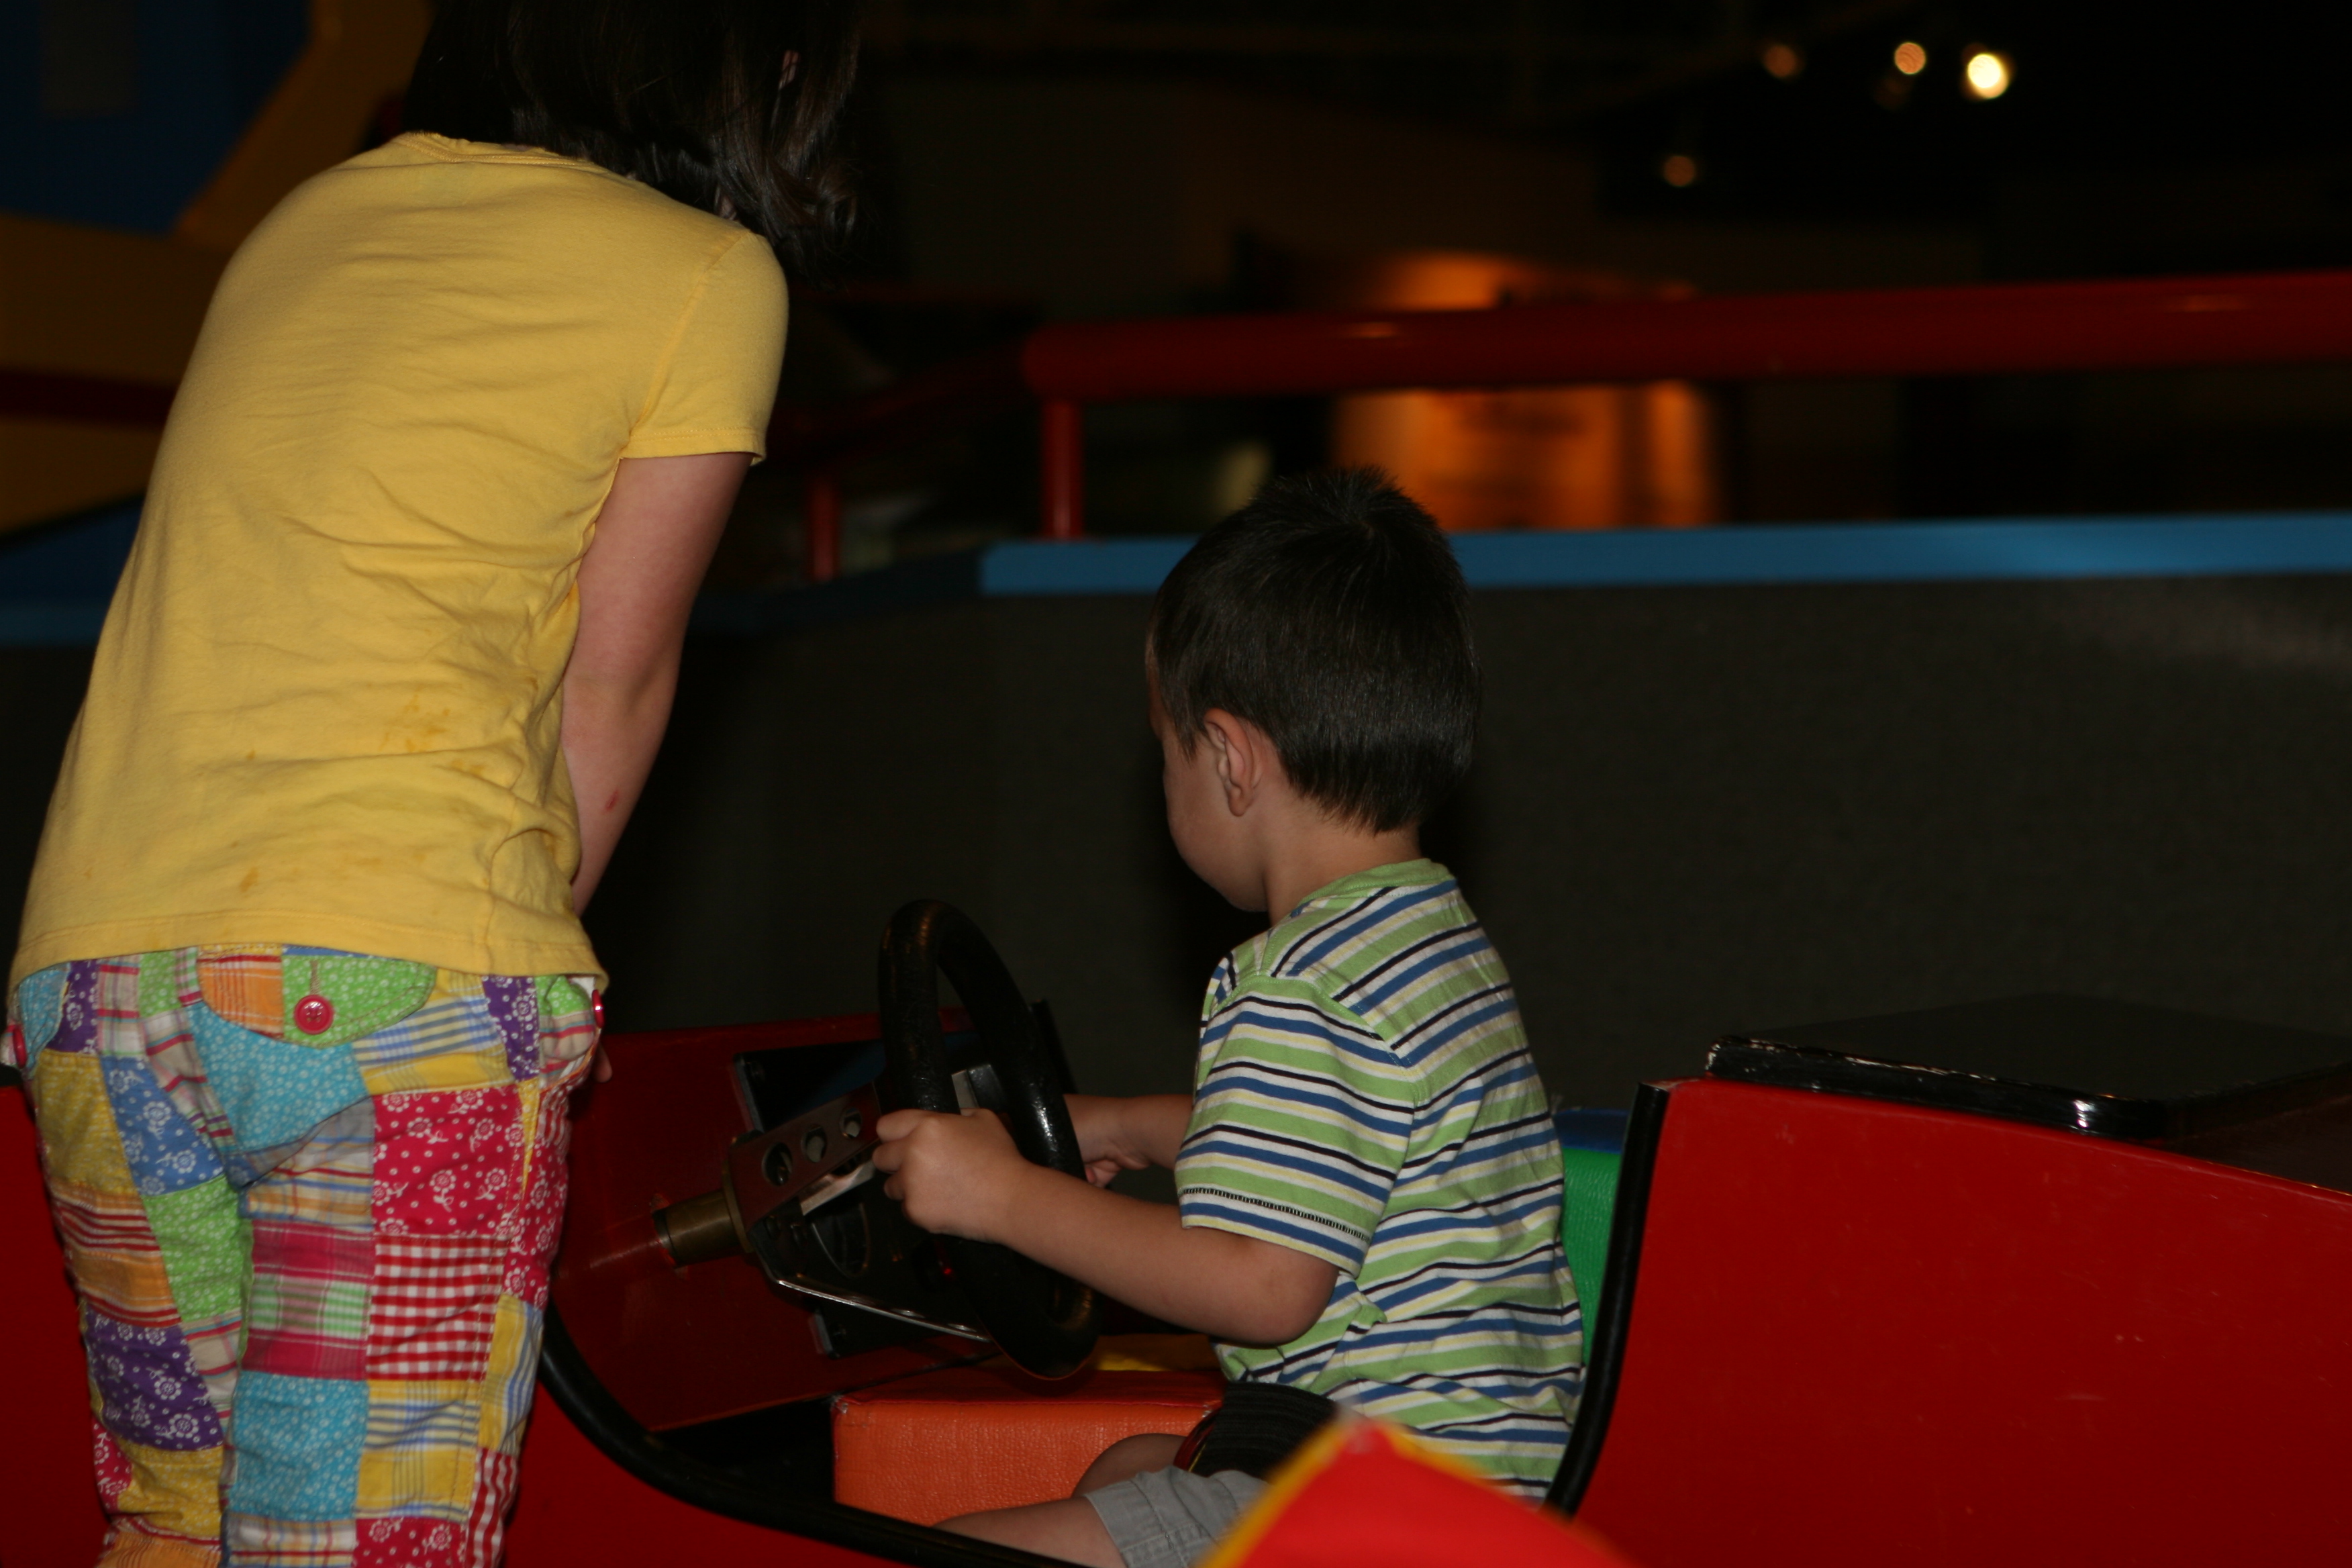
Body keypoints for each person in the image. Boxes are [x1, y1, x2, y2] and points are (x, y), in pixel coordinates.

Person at [1, 2, 856, 1562]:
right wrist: (525, 957)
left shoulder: (305, 218)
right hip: (390, 986)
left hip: (97, 976)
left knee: (175, 1522)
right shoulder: (707, 273)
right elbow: (609, 687)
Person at [872, 469, 1583, 1568]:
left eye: (1166, 751)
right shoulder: (1429, 938)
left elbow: (1260, 1286)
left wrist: (1002, 1196)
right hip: (1480, 1483)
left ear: (1232, 760)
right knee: (1130, 1466)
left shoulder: (1297, 980)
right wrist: (1122, 1124)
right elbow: (1335, 1152)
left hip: (1374, 1515)